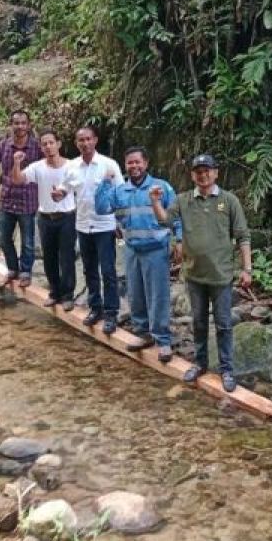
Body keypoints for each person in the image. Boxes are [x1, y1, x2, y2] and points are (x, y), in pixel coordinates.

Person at [150, 154, 252, 393]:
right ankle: (200, 364)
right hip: (194, 274)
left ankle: (227, 370)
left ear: (216, 173)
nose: (203, 175)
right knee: (198, 322)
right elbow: (165, 221)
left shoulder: (228, 201)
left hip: (221, 276)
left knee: (224, 324)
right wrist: (155, 202)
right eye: (198, 171)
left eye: (207, 170)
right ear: (192, 175)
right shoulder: (184, 200)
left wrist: (247, 269)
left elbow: (243, 236)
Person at [94, 147, 180, 363]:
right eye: (130, 163)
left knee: (158, 295)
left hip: (156, 249)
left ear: (146, 163)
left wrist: (179, 240)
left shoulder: (161, 188)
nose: (134, 167)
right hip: (132, 249)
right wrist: (105, 182)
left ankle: (163, 340)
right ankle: (143, 333)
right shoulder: (120, 191)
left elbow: (177, 216)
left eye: (137, 162)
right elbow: (102, 208)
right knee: (136, 293)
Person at [52, 127, 123, 334]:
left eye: (88, 139)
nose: (85, 143)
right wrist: (58, 195)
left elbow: (120, 193)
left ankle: (111, 313)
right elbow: (65, 189)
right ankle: (95, 308)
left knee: (108, 271)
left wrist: (120, 222)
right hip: (83, 225)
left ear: (95, 140)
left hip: (105, 226)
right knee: (89, 269)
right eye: (80, 140)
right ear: (76, 143)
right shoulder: (72, 166)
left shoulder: (109, 165)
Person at [11, 129, 77, 310]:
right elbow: (18, 180)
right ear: (41, 147)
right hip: (45, 217)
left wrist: (62, 193)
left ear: (58, 144)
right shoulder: (37, 167)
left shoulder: (71, 166)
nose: (48, 146)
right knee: (49, 257)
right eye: (44, 144)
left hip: (67, 217)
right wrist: (16, 163)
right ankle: (54, 292)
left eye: (51, 142)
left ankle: (68, 295)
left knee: (67, 257)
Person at [0, 110, 40, 287]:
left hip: (28, 200)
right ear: (11, 125)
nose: (20, 127)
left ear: (29, 125)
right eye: (16, 123)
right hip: (7, 199)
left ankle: (26, 271)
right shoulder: (4, 145)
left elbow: (48, 166)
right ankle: (13, 268)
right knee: (3, 238)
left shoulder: (36, 147)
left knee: (28, 241)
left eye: (23, 123)